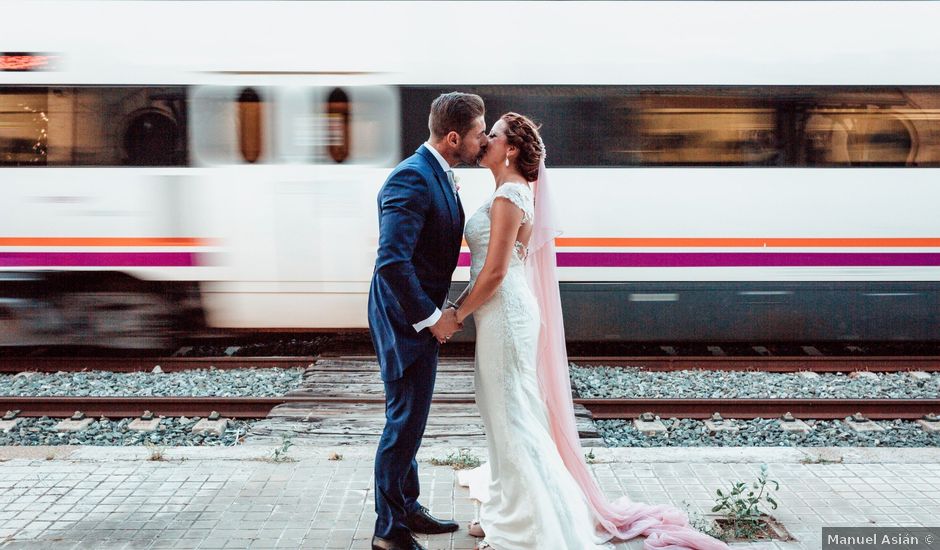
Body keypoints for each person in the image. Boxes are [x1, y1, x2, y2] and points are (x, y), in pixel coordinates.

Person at [453, 113, 729, 550]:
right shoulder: (512, 192)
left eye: (494, 135)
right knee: (504, 413)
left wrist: (455, 313)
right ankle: (509, 510)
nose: (485, 140)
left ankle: (534, 522)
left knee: (513, 417)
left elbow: (495, 273)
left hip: (504, 312)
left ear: (511, 150)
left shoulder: (509, 196)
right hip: (504, 313)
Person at [367, 92, 488, 550]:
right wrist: (432, 318)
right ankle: (388, 530)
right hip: (404, 319)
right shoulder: (412, 179)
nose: (483, 141)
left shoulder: (435, 172)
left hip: (414, 315)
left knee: (410, 419)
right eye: (479, 134)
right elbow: (391, 264)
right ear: (454, 137)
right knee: (403, 423)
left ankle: (408, 506)